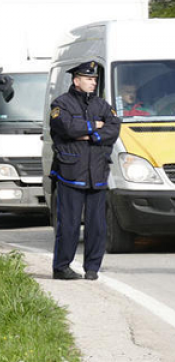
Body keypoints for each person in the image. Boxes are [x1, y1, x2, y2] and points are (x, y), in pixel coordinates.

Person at [49, 61, 121, 280]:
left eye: (94, 79)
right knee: (69, 225)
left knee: (97, 226)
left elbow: (114, 128)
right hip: (71, 173)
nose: (93, 82)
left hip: (97, 174)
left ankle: (92, 268)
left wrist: (91, 134)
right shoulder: (61, 104)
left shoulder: (102, 105)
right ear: (76, 80)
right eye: (89, 79)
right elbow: (68, 128)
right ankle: (61, 267)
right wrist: (95, 126)